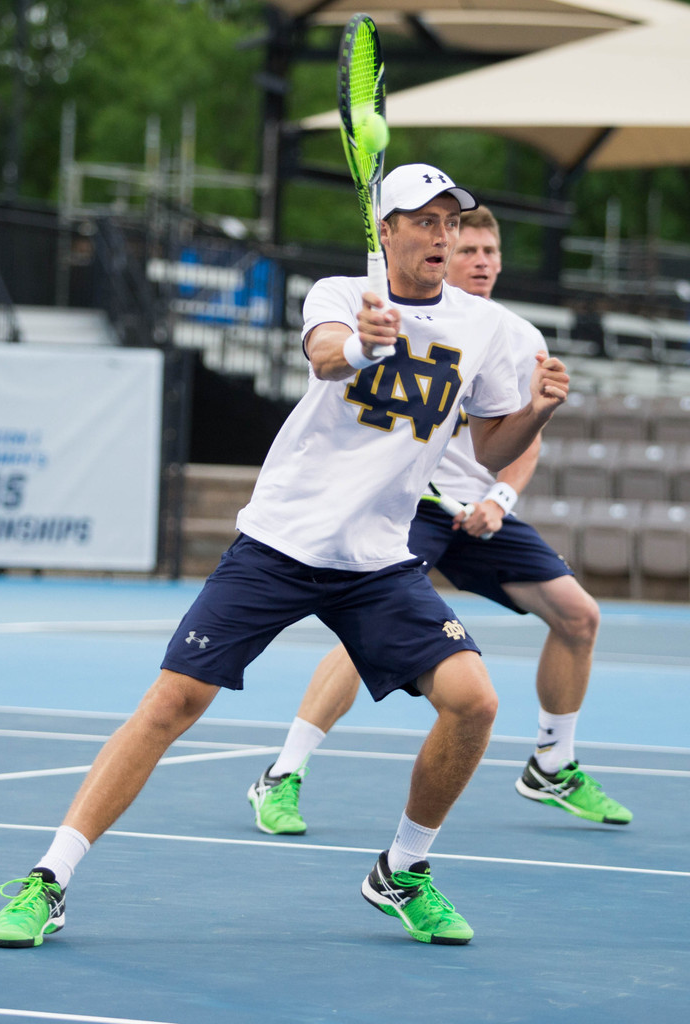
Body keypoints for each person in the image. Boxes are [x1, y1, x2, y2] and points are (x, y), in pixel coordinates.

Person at [0, 165, 569, 950]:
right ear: (385, 231)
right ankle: (48, 880)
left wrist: (531, 414)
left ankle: (403, 870)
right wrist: (362, 345)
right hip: (284, 542)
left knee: (475, 702)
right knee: (171, 704)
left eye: (448, 222)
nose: (441, 236)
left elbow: (490, 443)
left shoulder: (486, 329)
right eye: (422, 222)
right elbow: (328, 356)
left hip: (378, 558)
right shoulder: (339, 295)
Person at [247, 205, 632, 838]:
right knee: (360, 635)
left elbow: (520, 441)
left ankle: (552, 764)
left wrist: (497, 502)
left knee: (579, 615)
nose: (480, 260)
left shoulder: (514, 336)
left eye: (490, 252)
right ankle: (283, 774)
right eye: (467, 249)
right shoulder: (400, 315)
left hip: (479, 513)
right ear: (440, 256)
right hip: (411, 507)